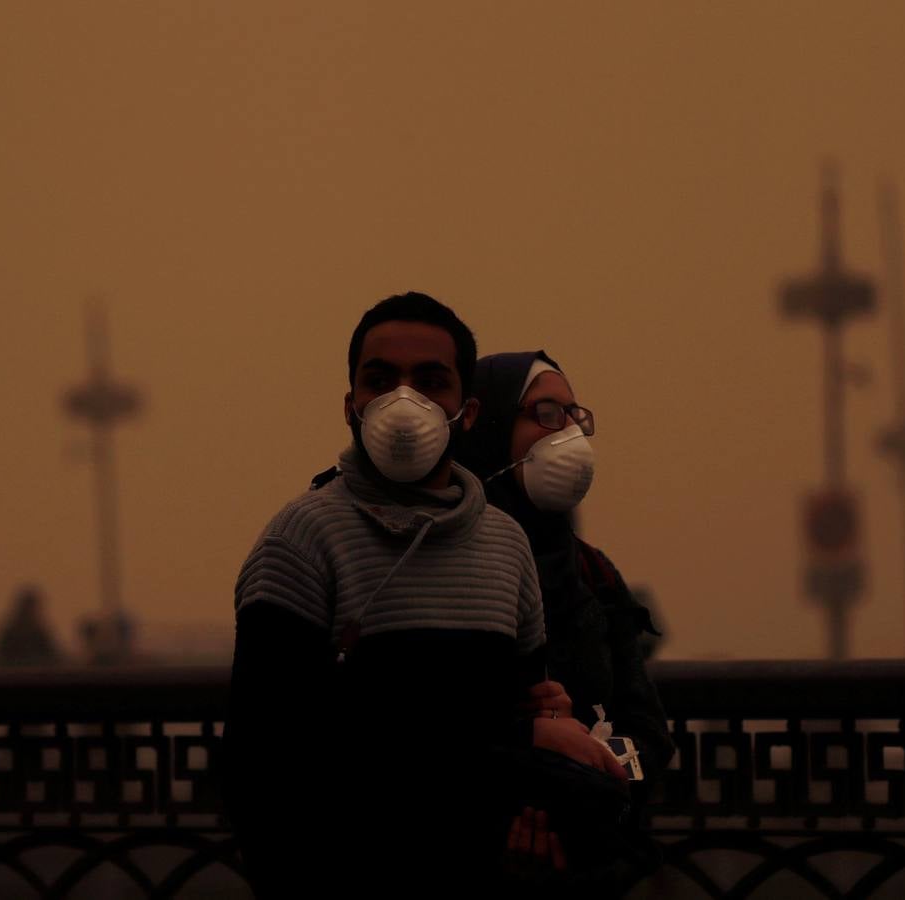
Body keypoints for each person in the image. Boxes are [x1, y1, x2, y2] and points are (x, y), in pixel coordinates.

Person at [220, 294, 622, 898]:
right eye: (380, 380)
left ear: (468, 411)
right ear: (350, 405)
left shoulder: (504, 544)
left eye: (431, 382)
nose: (404, 401)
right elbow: (269, 758)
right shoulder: (301, 542)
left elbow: (518, 715)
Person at [457, 349, 676, 895]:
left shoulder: (591, 572)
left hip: (592, 869)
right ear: (488, 428)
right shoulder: (442, 567)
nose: (569, 434)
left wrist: (595, 770)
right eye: (546, 414)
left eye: (574, 415)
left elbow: (647, 727)